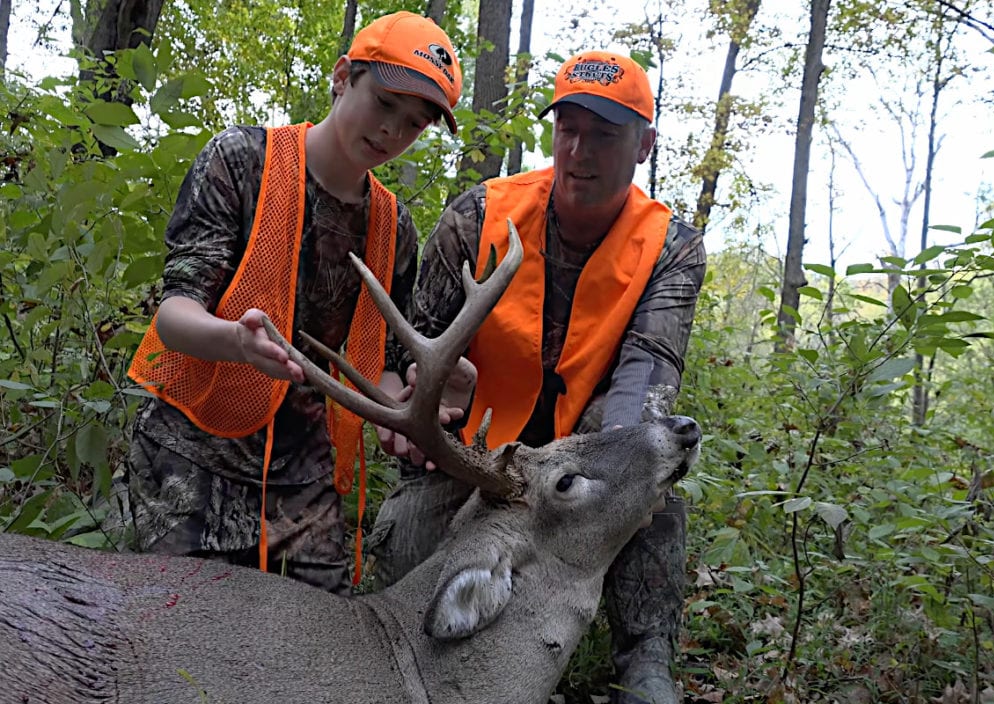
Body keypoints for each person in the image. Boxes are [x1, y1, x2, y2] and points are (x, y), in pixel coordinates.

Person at [368, 51, 706, 704]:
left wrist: (606, 469)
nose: (579, 151)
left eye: (604, 135)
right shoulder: (480, 214)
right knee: (406, 585)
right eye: (568, 130)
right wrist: (432, 388)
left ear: (645, 146)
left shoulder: (671, 248)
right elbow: (413, 347)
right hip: (477, 457)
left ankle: (645, 670)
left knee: (655, 493)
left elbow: (647, 377)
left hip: (585, 452)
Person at [124, 11, 463, 596]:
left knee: (327, 644)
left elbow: (375, 363)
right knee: (176, 646)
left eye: (413, 123)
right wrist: (235, 340)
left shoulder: (394, 229)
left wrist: (406, 408)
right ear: (341, 76)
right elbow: (175, 316)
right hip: (191, 457)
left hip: (303, 478)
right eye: (383, 103)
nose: (391, 132)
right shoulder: (241, 162)